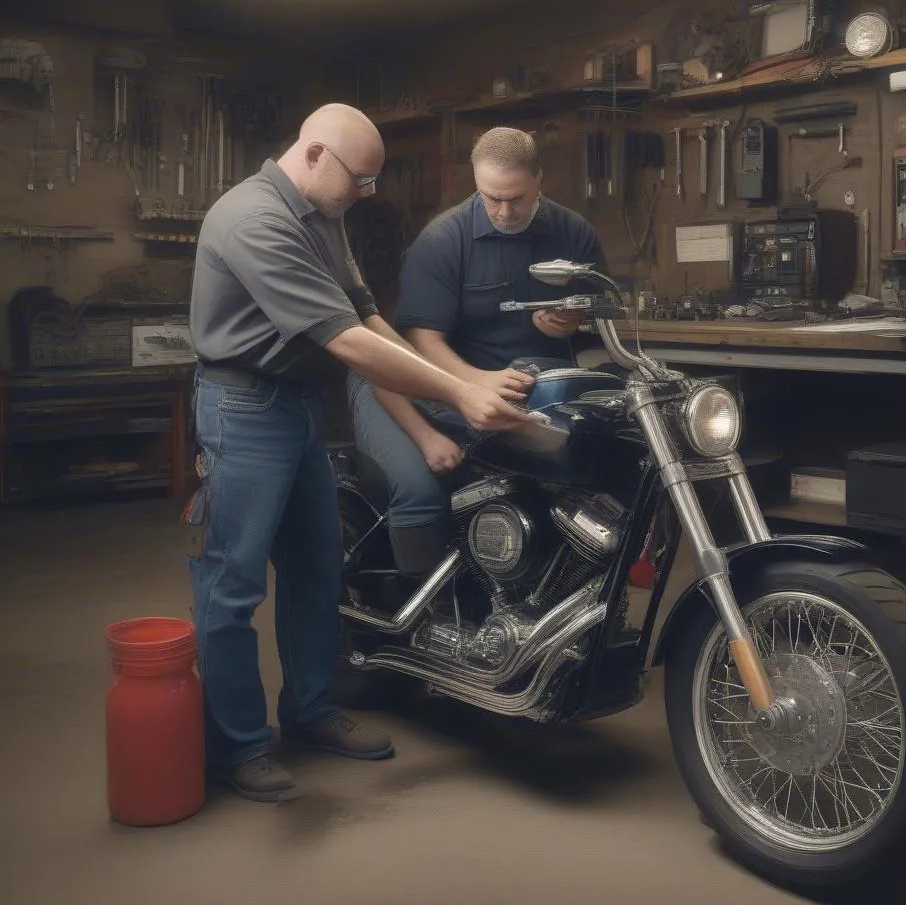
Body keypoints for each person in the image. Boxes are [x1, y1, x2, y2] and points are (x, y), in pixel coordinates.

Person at [187, 104, 527, 803]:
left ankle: (310, 711)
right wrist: (459, 400)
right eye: (361, 179)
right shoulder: (254, 219)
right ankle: (238, 746)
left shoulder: (324, 213)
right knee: (233, 584)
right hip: (244, 407)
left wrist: (462, 380)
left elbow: (367, 314)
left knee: (317, 570)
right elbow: (346, 342)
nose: (366, 195)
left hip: (300, 406)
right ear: (314, 155)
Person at [349, 126, 606, 576]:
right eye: (491, 198)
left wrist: (570, 320)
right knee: (419, 487)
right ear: (475, 182)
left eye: (516, 198)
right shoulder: (442, 241)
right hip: (437, 383)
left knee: (588, 466)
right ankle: (426, 618)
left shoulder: (573, 232)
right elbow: (419, 346)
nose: (504, 211)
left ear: (539, 179)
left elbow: (591, 306)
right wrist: (474, 380)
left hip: (527, 385)